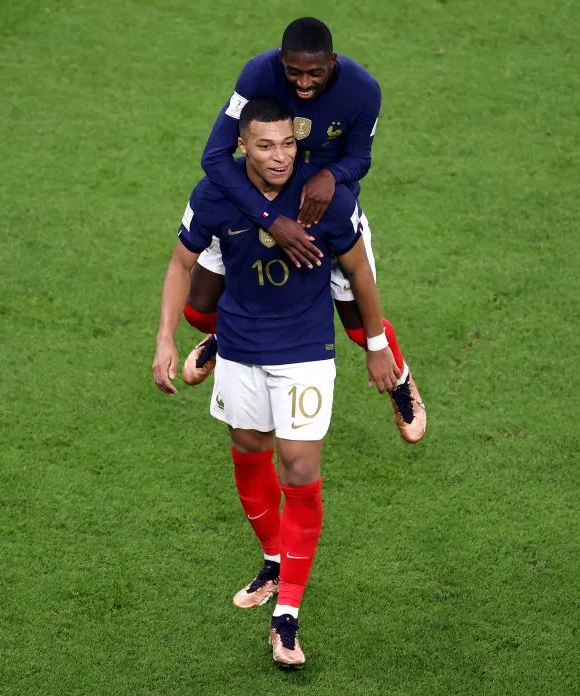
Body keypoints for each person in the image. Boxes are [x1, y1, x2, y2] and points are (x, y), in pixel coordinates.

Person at [152, 99, 400, 668]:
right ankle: (272, 559)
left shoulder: (321, 196)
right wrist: (166, 339)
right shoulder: (215, 194)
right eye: (265, 145)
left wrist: (379, 347)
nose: (280, 156)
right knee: (248, 448)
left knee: (299, 466)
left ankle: (286, 615)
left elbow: (359, 271)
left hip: (305, 352)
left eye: (288, 143)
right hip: (240, 347)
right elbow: (179, 266)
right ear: (242, 146)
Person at [180, 17, 426, 444]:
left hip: (323, 216)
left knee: (357, 324)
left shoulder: (363, 89)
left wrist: (331, 176)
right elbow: (215, 156)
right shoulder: (258, 73)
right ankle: (226, 336)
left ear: (333, 62)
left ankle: (400, 377)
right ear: (280, 61)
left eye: (316, 72)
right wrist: (271, 219)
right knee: (198, 309)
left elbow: (361, 158)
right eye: (294, 72)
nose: (304, 83)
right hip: (254, 209)